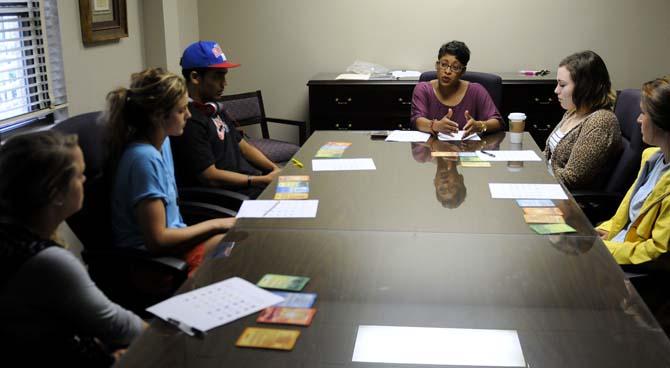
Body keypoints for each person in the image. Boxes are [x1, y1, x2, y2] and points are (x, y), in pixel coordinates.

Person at [0, 131, 144, 366]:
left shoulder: (11, 238)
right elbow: (122, 328)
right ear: (55, 193)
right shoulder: (48, 262)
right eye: (79, 175)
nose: (86, 180)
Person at [106, 68, 235, 274]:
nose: (189, 115)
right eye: (182, 110)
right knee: (235, 253)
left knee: (240, 247)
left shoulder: (163, 141)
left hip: (176, 249)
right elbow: (157, 240)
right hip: (153, 266)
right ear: (159, 116)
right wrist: (216, 224)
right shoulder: (143, 159)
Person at [170, 40, 281, 199]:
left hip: (249, 186)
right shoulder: (187, 120)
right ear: (195, 77)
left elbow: (243, 147)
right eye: (217, 77)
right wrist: (259, 180)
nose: (224, 83)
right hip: (229, 197)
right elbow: (210, 176)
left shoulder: (214, 109)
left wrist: (274, 169)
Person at [597, 77, 670, 266]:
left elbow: (657, 252)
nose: (638, 119)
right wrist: (602, 232)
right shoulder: (653, 158)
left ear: (662, 123)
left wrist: (607, 250)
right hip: (618, 247)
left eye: (643, 113)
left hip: (635, 268)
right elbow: (626, 218)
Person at [544, 50, 622, 190]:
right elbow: (548, 154)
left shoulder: (601, 122)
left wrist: (535, 175)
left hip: (571, 202)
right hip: (550, 187)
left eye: (562, 85)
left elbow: (572, 179)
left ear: (585, 87)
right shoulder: (573, 112)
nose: (556, 90)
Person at [411, 40, 503, 137]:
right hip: (431, 149)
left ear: (463, 71)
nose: (447, 71)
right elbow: (416, 120)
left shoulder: (476, 90)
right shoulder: (423, 89)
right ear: (437, 65)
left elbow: (497, 122)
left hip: (467, 149)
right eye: (444, 65)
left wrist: (480, 125)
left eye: (455, 67)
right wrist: (435, 125)